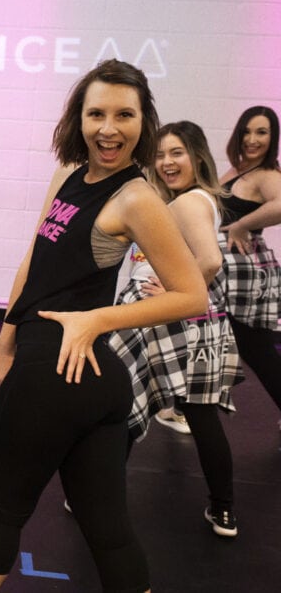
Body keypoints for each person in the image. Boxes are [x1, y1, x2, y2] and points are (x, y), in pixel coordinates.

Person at [0, 60, 207, 592]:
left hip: (59, 372)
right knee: (108, 533)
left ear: (145, 122)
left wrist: (98, 318)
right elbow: (36, 254)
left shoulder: (135, 196)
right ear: (79, 117)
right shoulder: (70, 174)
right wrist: (6, 334)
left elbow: (192, 294)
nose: (108, 128)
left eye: (124, 115)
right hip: (83, 374)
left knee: (0, 516)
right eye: (96, 113)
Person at [108, 121, 242, 537]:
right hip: (197, 321)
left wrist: (169, 287)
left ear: (198, 156)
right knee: (201, 419)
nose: (166, 162)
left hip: (170, 319)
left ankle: (94, 495)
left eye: (177, 153)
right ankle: (223, 511)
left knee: (121, 404)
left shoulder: (187, 203)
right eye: (161, 154)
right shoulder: (203, 200)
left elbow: (211, 261)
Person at [217, 106, 281, 427]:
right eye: (247, 131)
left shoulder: (267, 175)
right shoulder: (237, 170)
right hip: (223, 275)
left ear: (273, 139)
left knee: (258, 351)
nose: (253, 139)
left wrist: (243, 224)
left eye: (262, 132)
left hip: (243, 280)